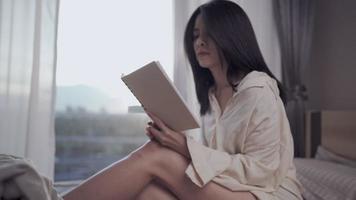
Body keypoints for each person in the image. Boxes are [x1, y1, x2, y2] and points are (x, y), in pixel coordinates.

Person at [63, 0, 303, 199]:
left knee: (156, 155)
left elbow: (263, 172)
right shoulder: (212, 95)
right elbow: (214, 161)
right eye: (196, 35)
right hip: (232, 188)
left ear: (231, 36)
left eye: (210, 35)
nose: (199, 42)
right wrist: (174, 137)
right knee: (151, 194)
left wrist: (185, 149)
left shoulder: (258, 91)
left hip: (266, 193)